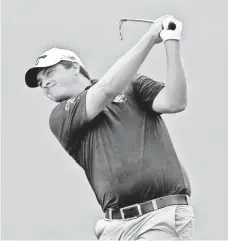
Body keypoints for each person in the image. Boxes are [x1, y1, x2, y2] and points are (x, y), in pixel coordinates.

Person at [25, 14, 194, 240]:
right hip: (114, 228)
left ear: (74, 68)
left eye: (49, 73)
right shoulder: (60, 117)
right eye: (39, 82)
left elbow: (175, 101)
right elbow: (105, 90)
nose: (44, 83)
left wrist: (171, 41)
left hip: (159, 217)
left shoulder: (132, 84)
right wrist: (151, 36)